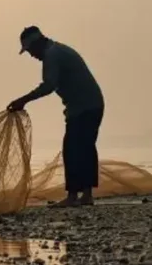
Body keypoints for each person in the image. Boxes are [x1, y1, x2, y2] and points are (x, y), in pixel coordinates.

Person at [7, 26, 104, 207]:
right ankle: (85, 195)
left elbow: (49, 85)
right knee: (84, 148)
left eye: (30, 51)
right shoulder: (56, 50)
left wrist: (24, 100)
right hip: (89, 105)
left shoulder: (52, 55)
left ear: (37, 44)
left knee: (73, 148)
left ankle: (74, 196)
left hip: (85, 107)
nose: (31, 56)